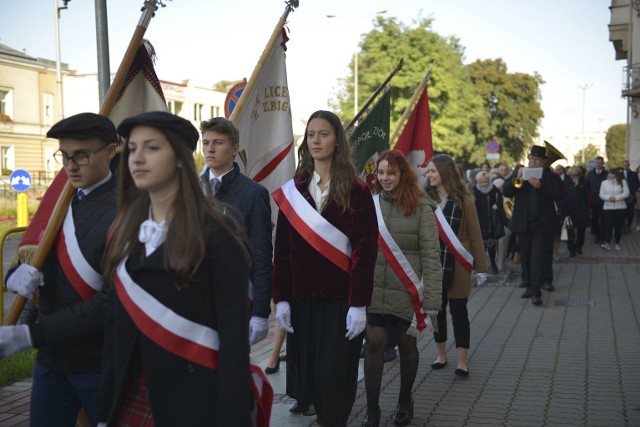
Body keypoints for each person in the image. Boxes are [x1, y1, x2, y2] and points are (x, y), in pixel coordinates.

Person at [97, 111, 254, 426]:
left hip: (192, 399)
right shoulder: (128, 229)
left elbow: (234, 337)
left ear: (181, 159)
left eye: (152, 147)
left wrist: (233, 417)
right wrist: (104, 410)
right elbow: (116, 331)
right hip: (133, 397)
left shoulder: (217, 231)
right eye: (132, 149)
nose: (138, 158)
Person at [1, 113, 117, 426]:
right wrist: (15, 277)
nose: (70, 165)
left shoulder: (129, 209)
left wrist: (29, 335)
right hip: (53, 359)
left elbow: (111, 302)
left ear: (111, 151)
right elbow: (32, 254)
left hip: (101, 361)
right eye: (64, 156)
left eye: (82, 154)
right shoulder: (60, 198)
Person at [272, 110, 378, 427]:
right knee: (312, 378)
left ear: (337, 140)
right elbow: (284, 251)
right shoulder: (295, 190)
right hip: (302, 300)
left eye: (324, 134)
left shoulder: (357, 191)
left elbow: (365, 250)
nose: (316, 140)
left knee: (334, 374)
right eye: (311, 134)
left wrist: (358, 304)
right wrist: (283, 298)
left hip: (340, 301)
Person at [361, 150, 442, 427]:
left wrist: (432, 299)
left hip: (408, 291)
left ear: (403, 174)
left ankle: (405, 400)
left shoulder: (422, 207)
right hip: (374, 289)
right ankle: (372, 411)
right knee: (374, 343)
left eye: (391, 173)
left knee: (407, 344)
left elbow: (431, 255)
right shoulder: (368, 205)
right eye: (380, 173)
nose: (384, 178)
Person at [199, 117, 272, 346]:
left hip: (237, 298)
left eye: (218, 142)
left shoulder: (254, 193)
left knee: (231, 371)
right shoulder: (189, 189)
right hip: (195, 296)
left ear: (235, 149)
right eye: (206, 142)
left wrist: (260, 312)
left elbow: (261, 255)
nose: (210, 148)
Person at [425, 154, 487, 378]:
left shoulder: (465, 200)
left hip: (458, 265)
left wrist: (482, 268)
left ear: (445, 172)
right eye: (428, 171)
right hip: (432, 264)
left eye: (432, 171)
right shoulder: (425, 199)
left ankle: (462, 361)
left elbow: (476, 236)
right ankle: (441, 355)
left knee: (459, 311)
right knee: (436, 312)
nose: (428, 175)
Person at [502, 146, 564, 306]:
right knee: (526, 257)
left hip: (542, 225)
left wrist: (540, 187)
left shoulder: (550, 177)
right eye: (531, 158)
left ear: (543, 162)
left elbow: (559, 194)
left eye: (537, 160)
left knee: (537, 257)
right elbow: (507, 192)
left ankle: (536, 292)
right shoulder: (521, 174)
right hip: (523, 224)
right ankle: (529, 286)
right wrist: (518, 177)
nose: (533, 161)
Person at [473, 170, 504, 275]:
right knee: (480, 247)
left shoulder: (494, 190)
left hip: (491, 222)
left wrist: (497, 205)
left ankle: (492, 262)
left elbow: (500, 200)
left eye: (485, 182)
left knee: (491, 245)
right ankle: (479, 266)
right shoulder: (474, 191)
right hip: (479, 221)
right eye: (480, 183)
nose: (483, 185)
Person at [599, 167, 630, 250]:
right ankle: (607, 242)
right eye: (609, 173)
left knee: (618, 227)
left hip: (620, 207)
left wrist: (616, 198)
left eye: (611, 173)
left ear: (615, 174)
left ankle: (617, 243)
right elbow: (601, 195)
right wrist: (609, 198)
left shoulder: (623, 182)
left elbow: (626, 193)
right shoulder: (604, 183)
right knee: (608, 226)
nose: (609, 175)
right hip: (608, 208)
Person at [563, 165, 590, 256]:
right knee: (569, 230)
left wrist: (578, 185)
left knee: (581, 230)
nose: (574, 177)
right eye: (572, 175)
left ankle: (579, 246)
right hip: (569, 209)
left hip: (582, 208)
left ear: (580, 174)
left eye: (576, 175)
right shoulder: (566, 181)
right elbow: (562, 195)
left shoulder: (585, 181)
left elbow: (587, 194)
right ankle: (571, 250)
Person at [586, 156, 608, 244]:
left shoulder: (606, 174)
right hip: (594, 200)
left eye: (600, 163)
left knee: (603, 219)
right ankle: (597, 235)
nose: (598, 165)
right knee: (594, 219)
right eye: (596, 163)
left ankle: (603, 236)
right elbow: (587, 185)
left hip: (604, 200)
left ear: (603, 164)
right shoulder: (590, 173)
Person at [621, 160, 639, 233]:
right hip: (622, 196)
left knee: (630, 213)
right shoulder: (620, 174)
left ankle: (628, 226)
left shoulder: (634, 174)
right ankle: (624, 227)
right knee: (622, 213)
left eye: (627, 165)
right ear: (622, 165)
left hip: (631, 196)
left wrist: (633, 190)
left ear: (629, 165)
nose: (625, 166)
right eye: (624, 165)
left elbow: (637, 184)